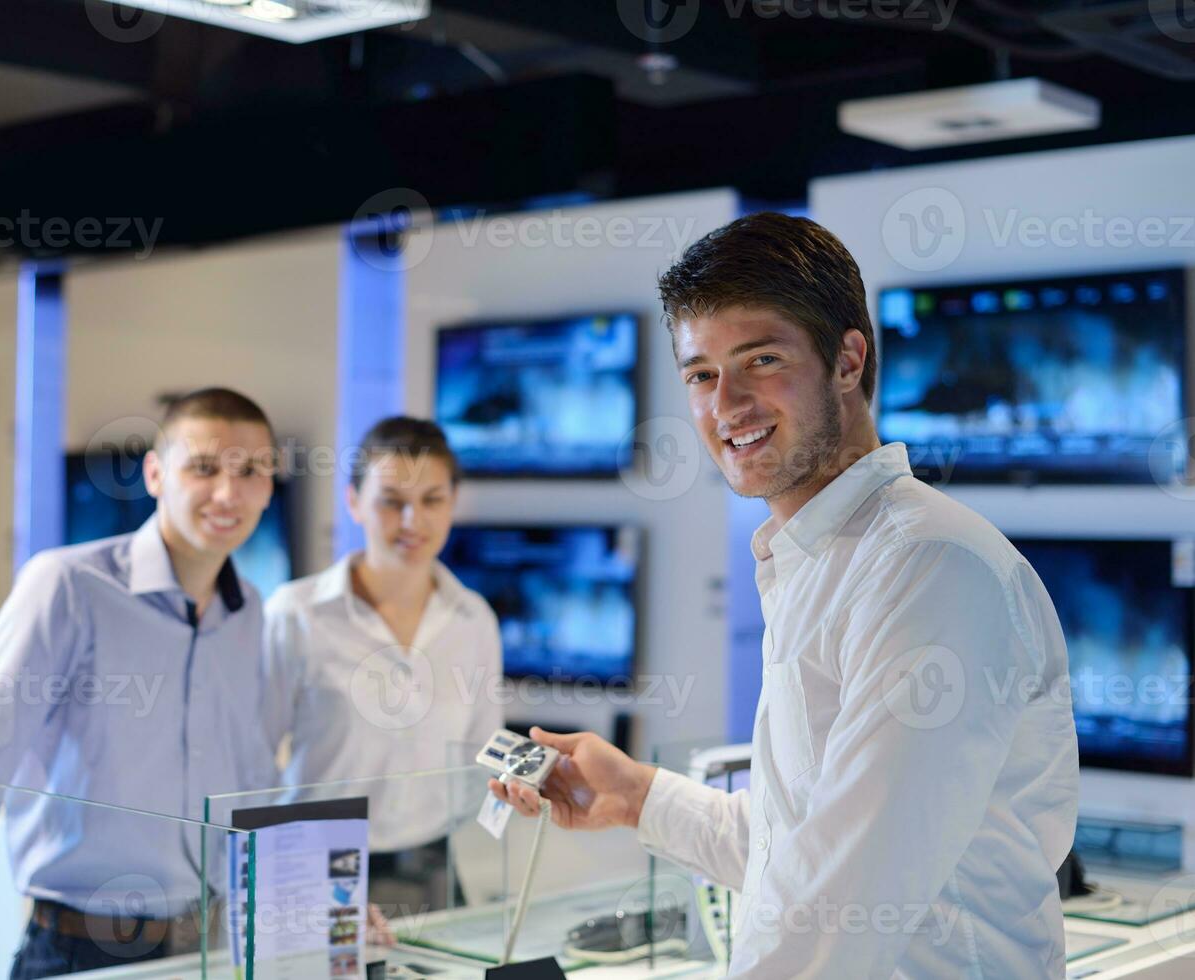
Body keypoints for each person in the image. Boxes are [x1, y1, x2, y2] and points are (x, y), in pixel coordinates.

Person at [492, 213, 1079, 978]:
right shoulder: (817, 558)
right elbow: (797, 846)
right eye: (700, 374)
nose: (725, 405)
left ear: (846, 358)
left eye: (760, 359)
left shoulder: (925, 567)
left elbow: (843, 898)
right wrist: (637, 795)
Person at [0, 388, 281, 980]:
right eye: (203, 467)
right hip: (74, 955)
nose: (228, 492)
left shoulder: (250, 612)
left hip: (204, 953)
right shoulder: (68, 586)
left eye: (251, 471)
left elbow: (252, 794)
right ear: (154, 473)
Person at [262, 417, 503, 912]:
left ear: (453, 503)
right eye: (391, 501)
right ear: (354, 503)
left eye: (431, 500)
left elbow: (483, 755)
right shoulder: (296, 613)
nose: (412, 521)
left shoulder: (473, 617)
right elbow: (252, 759)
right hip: (317, 864)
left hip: (436, 866)